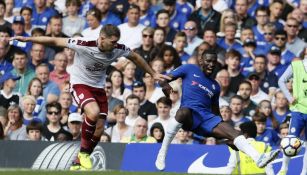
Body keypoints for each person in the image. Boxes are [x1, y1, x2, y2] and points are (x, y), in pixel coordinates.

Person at [11, 24, 169, 170]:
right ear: (101, 38)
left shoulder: (118, 48)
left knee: (99, 129)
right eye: (112, 42)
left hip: (98, 87)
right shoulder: (83, 44)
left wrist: (153, 73)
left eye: (116, 42)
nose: (115, 45)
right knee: (92, 112)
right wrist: (28, 39)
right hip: (80, 84)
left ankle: (79, 160)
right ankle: (85, 154)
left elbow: (135, 57)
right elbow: (53, 39)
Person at [155, 49, 280, 171]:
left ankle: (258, 158)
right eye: (208, 61)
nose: (211, 64)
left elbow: (215, 113)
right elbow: (163, 78)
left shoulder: (215, 86)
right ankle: (162, 152)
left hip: (206, 120)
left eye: (214, 62)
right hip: (190, 116)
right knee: (183, 111)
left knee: (236, 134)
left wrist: (225, 136)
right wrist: (164, 84)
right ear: (201, 60)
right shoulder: (189, 68)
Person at [277, 48, 307, 175]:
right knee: (290, 140)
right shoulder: (296, 65)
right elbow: (281, 80)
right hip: (298, 110)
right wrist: (289, 97)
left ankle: (304, 172)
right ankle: (284, 169)